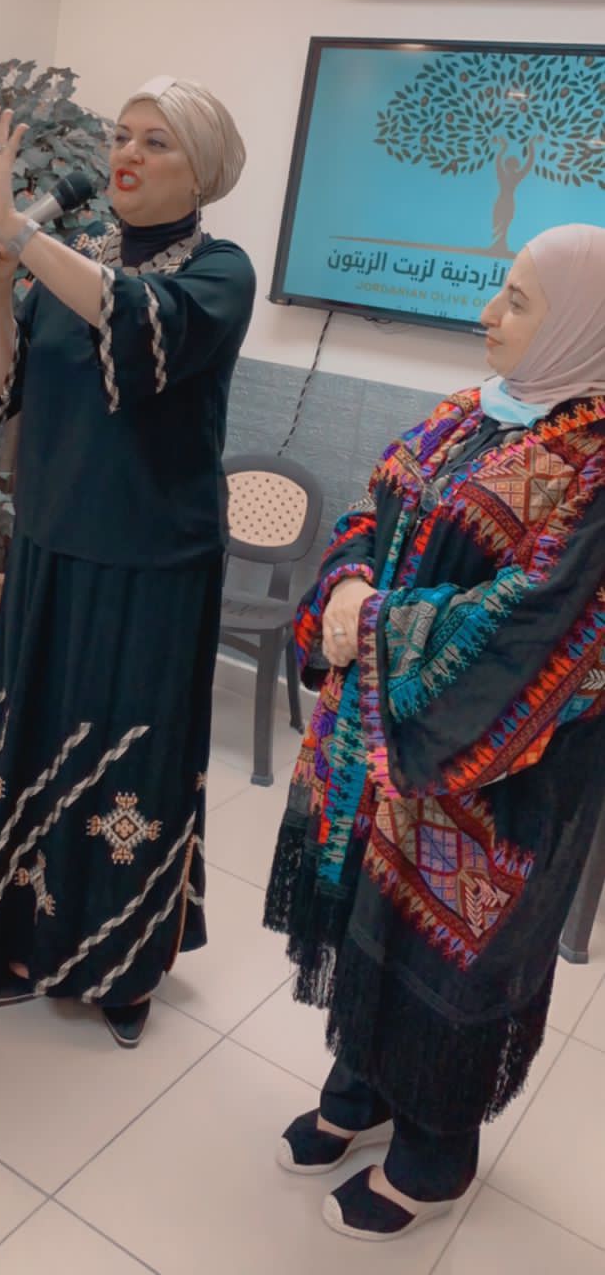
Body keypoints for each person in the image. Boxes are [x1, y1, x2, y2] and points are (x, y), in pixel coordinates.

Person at [265, 222, 605, 1241]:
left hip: (507, 768)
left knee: (455, 953)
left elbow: (538, 621)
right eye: (499, 290)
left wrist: (370, 624)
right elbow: (369, 509)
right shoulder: (471, 414)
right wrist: (345, 581)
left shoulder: (594, 465)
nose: (487, 314)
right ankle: (363, 1087)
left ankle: (435, 1151)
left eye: (517, 301)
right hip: (388, 741)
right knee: (373, 916)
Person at [0, 78, 255, 1046]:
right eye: (122, 135)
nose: (127, 153)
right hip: (51, 545)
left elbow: (137, 317)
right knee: (31, 741)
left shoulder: (221, 273)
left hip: (152, 563)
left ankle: (122, 960)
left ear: (202, 168)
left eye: (156, 141)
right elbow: (2, 391)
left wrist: (18, 234)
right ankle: (21, 936)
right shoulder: (73, 262)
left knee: (133, 762)